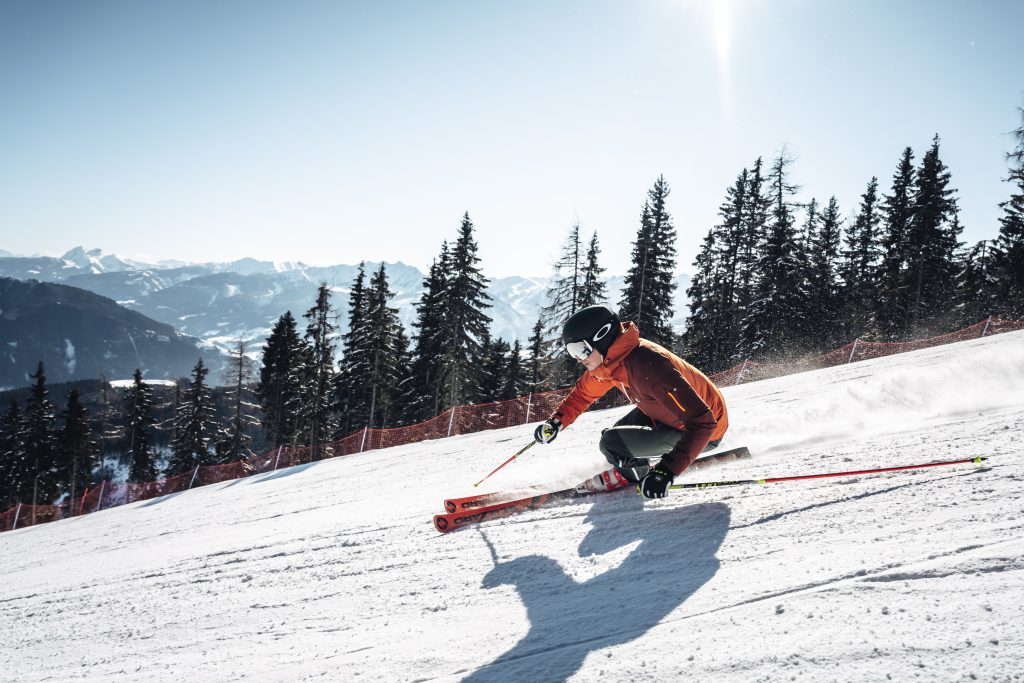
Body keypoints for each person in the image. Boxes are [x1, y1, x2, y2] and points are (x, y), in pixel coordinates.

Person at [533, 305, 729, 499]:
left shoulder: (647, 366)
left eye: (580, 350)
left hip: (707, 431)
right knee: (620, 434)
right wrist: (556, 422)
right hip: (668, 414)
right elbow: (582, 395)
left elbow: (703, 421)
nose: (578, 358)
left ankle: (633, 475)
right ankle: (635, 465)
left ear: (602, 338)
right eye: (571, 352)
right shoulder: (611, 362)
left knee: (613, 444)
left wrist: (666, 471)